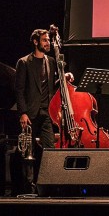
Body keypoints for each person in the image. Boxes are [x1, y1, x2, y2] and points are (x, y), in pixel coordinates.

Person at [12, 28, 73, 195]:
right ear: (36, 42)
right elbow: (19, 90)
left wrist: (64, 77)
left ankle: (48, 187)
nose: (48, 43)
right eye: (45, 40)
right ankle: (28, 188)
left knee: (50, 149)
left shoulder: (51, 61)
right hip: (30, 113)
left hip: (47, 113)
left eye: (48, 40)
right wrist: (23, 113)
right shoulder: (24, 62)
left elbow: (52, 85)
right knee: (28, 152)